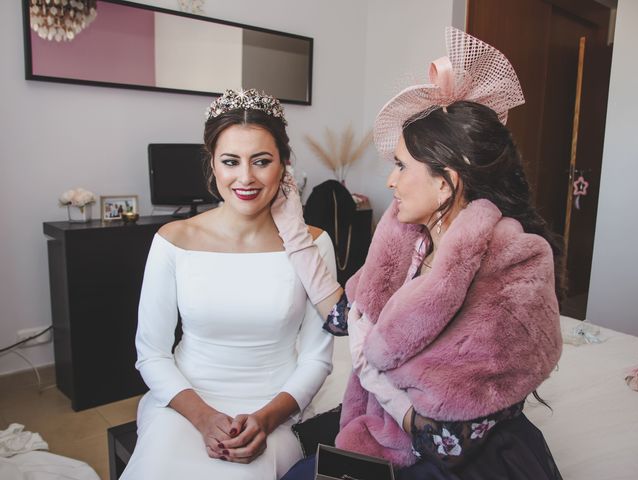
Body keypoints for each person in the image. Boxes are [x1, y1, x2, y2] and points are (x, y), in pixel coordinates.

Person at [281, 27, 564, 479]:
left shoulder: (515, 263)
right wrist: (294, 232)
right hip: (394, 431)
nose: (390, 181)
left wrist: (373, 375)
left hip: (466, 461)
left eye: (399, 166)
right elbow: (344, 317)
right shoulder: (411, 241)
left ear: (445, 180)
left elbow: (450, 440)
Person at [120, 89, 341, 480]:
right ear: (212, 166)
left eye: (261, 161)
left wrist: (265, 418)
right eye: (230, 161)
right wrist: (205, 419)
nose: (246, 177)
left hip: (276, 407)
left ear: (284, 165)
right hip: (185, 404)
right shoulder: (174, 240)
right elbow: (151, 353)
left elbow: (317, 358)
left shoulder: (312, 244)